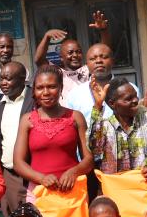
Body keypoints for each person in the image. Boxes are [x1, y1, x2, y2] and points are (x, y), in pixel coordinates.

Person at [89, 77, 147, 212]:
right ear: (112, 103)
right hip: (118, 201)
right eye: (128, 99)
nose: (135, 101)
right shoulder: (104, 127)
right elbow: (93, 148)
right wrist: (97, 107)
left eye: (135, 96)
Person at [13, 64, 92, 194]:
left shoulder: (76, 117)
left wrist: (73, 172)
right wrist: (41, 178)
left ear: (61, 88)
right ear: (34, 91)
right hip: (39, 192)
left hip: (73, 191)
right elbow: (18, 163)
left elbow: (88, 159)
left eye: (52, 87)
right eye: (40, 88)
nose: (45, 92)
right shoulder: (27, 120)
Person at [32, 11, 110, 107]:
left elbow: (104, 50)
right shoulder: (57, 72)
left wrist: (103, 30)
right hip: (64, 117)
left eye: (78, 52)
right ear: (61, 57)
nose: (75, 55)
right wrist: (47, 37)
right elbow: (38, 60)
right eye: (70, 53)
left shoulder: (87, 70)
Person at [0, 60, 32, 215]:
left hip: (33, 173)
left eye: (8, 79)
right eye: (1, 79)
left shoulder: (35, 100)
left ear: (22, 79)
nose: (3, 83)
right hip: (10, 174)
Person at [66, 43, 138, 124]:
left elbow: (138, 120)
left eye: (104, 57)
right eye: (93, 59)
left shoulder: (132, 89)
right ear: (86, 64)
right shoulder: (74, 95)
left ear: (113, 61)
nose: (98, 61)